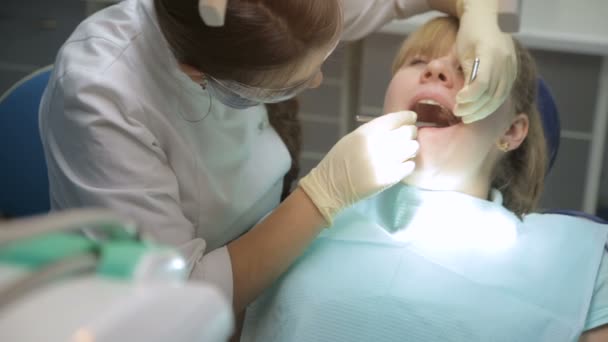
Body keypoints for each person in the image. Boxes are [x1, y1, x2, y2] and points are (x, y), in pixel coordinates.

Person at [38, 0, 517, 317]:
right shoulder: (103, 95)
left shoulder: (288, 7)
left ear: (515, 132)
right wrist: (322, 196)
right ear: (200, 75)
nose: (316, 83)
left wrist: (479, 15)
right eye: (292, 80)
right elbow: (175, 303)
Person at [240, 16, 608, 341]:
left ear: (511, 131)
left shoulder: (585, 264)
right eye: (418, 61)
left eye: (470, 68)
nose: (434, 70)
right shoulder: (299, 218)